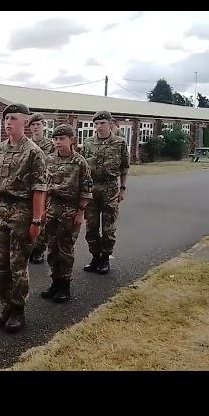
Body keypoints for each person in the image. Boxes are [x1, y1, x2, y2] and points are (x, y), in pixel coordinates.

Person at [0, 103, 46, 333]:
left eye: (13, 118)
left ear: (25, 122)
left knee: (18, 264)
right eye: (6, 118)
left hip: (22, 212)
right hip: (2, 211)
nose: (7, 122)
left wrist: (37, 221)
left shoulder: (34, 152)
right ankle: (6, 307)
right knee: (2, 263)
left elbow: (39, 189)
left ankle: (18, 311)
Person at [40, 124, 93, 303]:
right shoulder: (49, 160)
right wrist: (43, 210)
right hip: (52, 210)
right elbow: (45, 187)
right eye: (55, 139)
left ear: (71, 140)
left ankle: (65, 286)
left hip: (70, 211)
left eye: (62, 139)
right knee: (52, 248)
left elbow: (86, 188)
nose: (58, 142)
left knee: (65, 249)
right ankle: (55, 283)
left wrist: (81, 212)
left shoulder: (79, 162)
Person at [81, 110, 129, 274]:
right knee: (91, 226)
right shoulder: (88, 143)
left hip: (110, 189)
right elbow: (83, 168)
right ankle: (95, 257)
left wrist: (122, 189)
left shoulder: (120, 143)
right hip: (92, 189)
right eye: (96, 123)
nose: (99, 126)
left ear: (110, 124)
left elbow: (124, 167)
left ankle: (105, 259)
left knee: (108, 228)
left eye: (102, 123)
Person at [27, 112, 54, 265]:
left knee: (42, 218)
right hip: (29, 186)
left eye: (38, 124)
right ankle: (30, 247)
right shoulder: (27, 143)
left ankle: (39, 250)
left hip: (45, 186)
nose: (35, 127)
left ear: (44, 126)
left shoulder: (50, 145)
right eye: (33, 125)